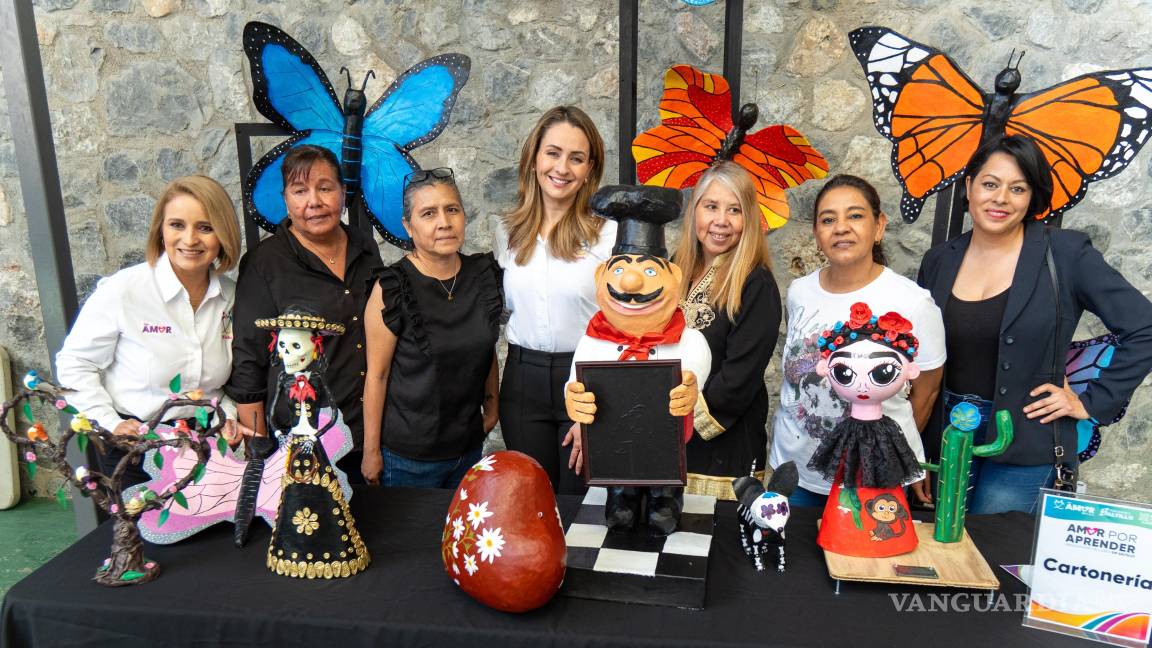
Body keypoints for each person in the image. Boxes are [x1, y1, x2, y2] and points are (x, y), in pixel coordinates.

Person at [918, 134, 1152, 514]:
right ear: (969, 186)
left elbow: (1144, 328)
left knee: (998, 562)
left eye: (1017, 188)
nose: (1000, 198)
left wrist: (1090, 403)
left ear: (1032, 197)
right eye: (990, 184)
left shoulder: (1066, 253)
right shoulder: (939, 260)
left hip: (1025, 444)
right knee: (942, 556)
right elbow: (921, 357)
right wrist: (917, 448)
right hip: (944, 439)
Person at [56, 175, 249, 487]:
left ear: (223, 234)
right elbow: (74, 364)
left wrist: (228, 417)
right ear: (161, 230)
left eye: (205, 227)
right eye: (177, 225)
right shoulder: (124, 290)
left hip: (209, 444)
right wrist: (110, 424)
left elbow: (223, 383)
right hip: (137, 450)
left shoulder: (233, 296)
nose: (190, 239)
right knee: (145, 536)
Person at [770, 175, 944, 507]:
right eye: (828, 219)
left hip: (872, 480)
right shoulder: (799, 293)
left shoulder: (913, 303)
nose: (841, 228)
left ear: (879, 226)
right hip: (794, 473)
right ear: (817, 235)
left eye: (855, 215)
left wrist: (890, 451)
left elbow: (927, 390)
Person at [226, 145, 384, 482]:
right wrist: (259, 453)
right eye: (300, 191)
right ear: (286, 199)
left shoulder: (365, 248)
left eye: (325, 188)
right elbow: (249, 361)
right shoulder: (265, 263)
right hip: (302, 441)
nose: (314, 201)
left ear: (342, 193)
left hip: (366, 430)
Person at [493, 105, 614, 494]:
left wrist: (593, 401)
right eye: (553, 153)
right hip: (522, 380)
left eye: (576, 158)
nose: (562, 168)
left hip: (587, 381)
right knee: (534, 501)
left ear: (589, 170)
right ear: (534, 158)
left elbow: (622, 325)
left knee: (582, 508)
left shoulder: (609, 236)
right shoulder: (506, 232)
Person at [361, 168, 502, 488]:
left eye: (452, 209)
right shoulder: (392, 287)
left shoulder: (483, 275)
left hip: (467, 448)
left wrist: (492, 405)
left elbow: (486, 345)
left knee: (463, 537)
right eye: (428, 213)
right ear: (408, 226)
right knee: (414, 538)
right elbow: (377, 375)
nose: (444, 222)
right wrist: (371, 452)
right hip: (409, 458)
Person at [673, 162, 782, 500]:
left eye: (734, 209)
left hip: (724, 439)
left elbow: (740, 376)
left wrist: (684, 420)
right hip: (670, 434)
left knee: (718, 544)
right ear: (695, 212)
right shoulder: (674, 268)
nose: (721, 220)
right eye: (711, 206)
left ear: (748, 219)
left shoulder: (756, 283)